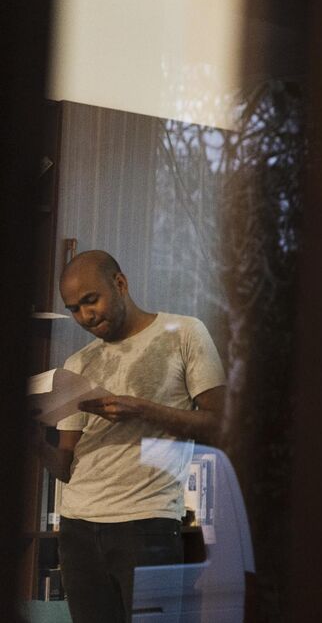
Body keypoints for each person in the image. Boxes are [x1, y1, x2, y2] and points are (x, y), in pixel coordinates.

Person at [32, 250, 227, 623]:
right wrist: (34, 442)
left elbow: (221, 423)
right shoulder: (77, 364)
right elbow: (66, 468)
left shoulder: (184, 333)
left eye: (91, 300)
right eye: (74, 309)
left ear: (120, 283)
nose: (85, 316)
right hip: (77, 527)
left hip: (147, 522)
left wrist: (143, 410)